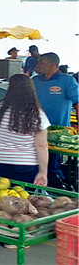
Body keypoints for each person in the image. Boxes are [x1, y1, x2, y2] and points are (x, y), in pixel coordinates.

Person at [0, 74, 49, 193]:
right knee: (23, 198)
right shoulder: (37, 115)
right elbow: (41, 145)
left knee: (3, 193)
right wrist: (43, 173)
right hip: (25, 164)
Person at [33, 53, 79, 190]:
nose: (38, 65)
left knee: (51, 164)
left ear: (53, 65)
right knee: (34, 164)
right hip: (34, 130)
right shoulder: (35, 80)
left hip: (56, 133)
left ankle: (58, 191)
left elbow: (77, 102)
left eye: (41, 62)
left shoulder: (67, 81)